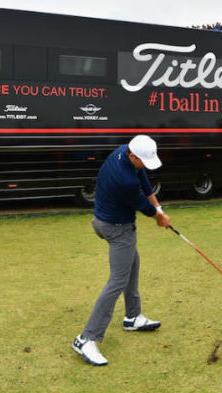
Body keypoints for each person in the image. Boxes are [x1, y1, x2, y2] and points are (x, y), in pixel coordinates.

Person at [72, 135, 171, 366]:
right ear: (133, 156)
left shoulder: (124, 150)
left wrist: (159, 208)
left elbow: (143, 179)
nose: (145, 165)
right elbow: (143, 206)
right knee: (117, 281)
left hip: (104, 221)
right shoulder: (124, 180)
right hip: (116, 229)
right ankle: (86, 338)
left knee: (132, 265)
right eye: (143, 161)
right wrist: (160, 217)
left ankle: (132, 317)